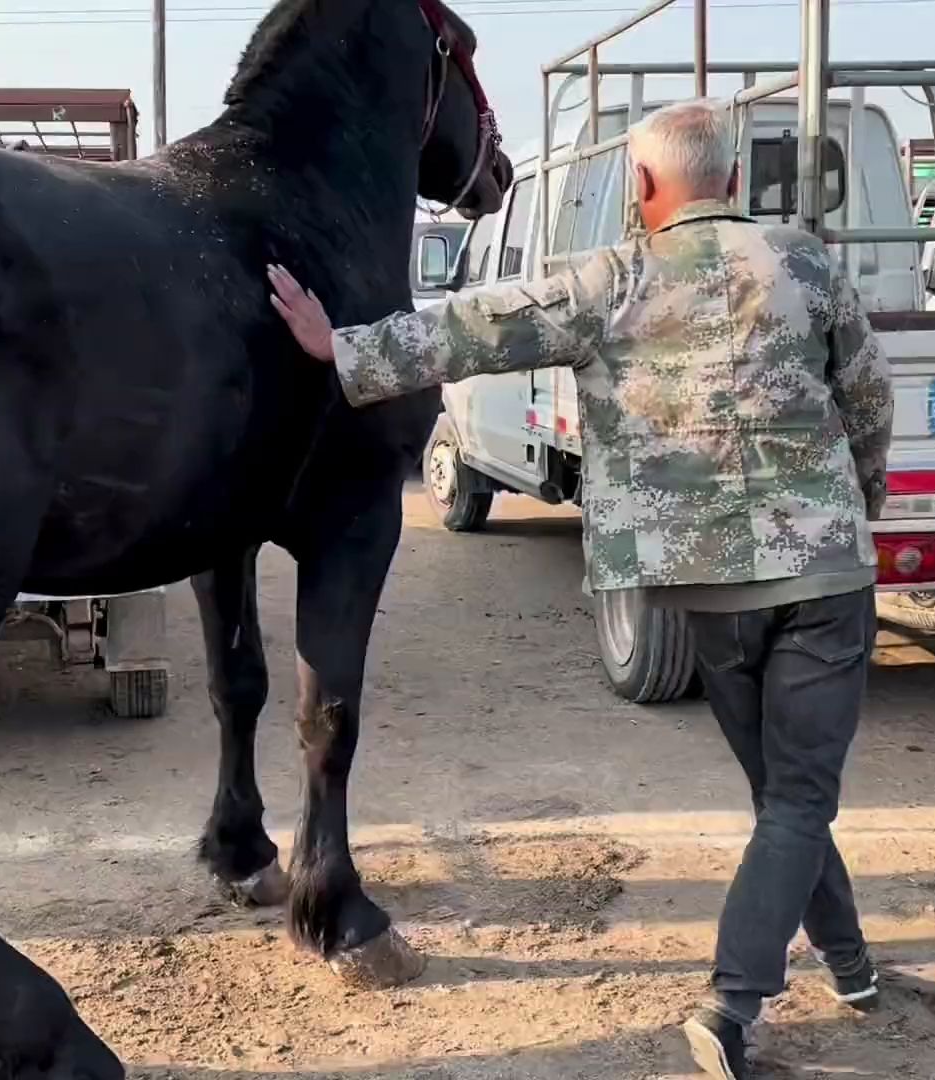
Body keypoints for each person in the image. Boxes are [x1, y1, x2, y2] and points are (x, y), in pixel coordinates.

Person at [265, 98, 893, 1080]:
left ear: (643, 188)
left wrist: (340, 348)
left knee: (786, 795)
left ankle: (852, 967)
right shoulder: (802, 264)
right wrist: (867, 498)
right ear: (731, 178)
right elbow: (867, 393)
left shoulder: (612, 279)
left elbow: (471, 331)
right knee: (798, 797)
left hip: (702, 588)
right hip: (818, 572)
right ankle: (732, 1009)